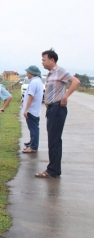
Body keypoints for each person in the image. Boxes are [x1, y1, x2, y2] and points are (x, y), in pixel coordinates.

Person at [35, 49, 80, 178]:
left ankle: (52, 170)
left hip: (57, 109)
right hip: (51, 109)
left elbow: (76, 82)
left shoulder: (60, 71)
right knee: (53, 140)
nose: (42, 62)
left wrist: (65, 97)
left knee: (54, 140)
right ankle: (55, 169)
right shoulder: (50, 74)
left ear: (52, 60)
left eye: (44, 60)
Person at [21, 65, 44, 153]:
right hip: (35, 109)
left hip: (31, 110)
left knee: (33, 128)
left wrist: (26, 109)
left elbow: (31, 97)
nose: (27, 73)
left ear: (31, 73)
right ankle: (32, 142)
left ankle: (33, 146)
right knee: (33, 128)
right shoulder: (38, 81)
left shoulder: (34, 82)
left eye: (28, 72)